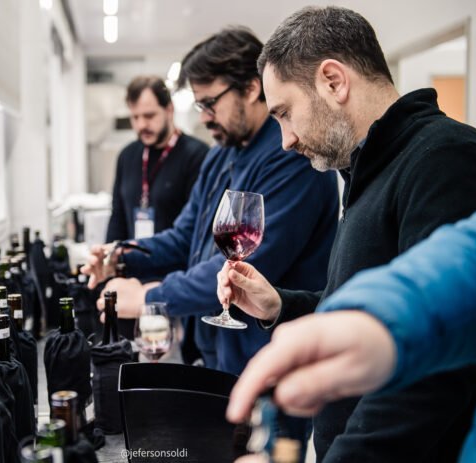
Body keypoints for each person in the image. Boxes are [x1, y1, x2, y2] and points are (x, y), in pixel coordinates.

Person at [216, 6, 476, 462]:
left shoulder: (446, 159)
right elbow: (353, 306)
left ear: (334, 81)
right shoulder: (366, 169)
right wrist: (280, 306)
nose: (286, 140)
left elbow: (432, 372)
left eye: (285, 113)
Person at [82, 27, 338, 375]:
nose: (203, 117)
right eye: (199, 105)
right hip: (217, 354)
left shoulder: (290, 158)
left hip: (272, 362)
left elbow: (239, 268)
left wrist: (148, 298)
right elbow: (184, 236)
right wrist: (121, 257)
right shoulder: (221, 154)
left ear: (251, 88)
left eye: (210, 103)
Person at [227, 200, 476, 463]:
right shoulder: (362, 182)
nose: (287, 148)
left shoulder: (441, 172)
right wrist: (282, 306)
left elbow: (432, 388)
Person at [106, 76, 208, 242]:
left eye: (149, 116)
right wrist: (110, 253)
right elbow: (118, 218)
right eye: (135, 117)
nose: (141, 125)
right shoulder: (126, 156)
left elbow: (197, 228)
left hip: (177, 257)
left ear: (169, 110)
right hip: (133, 257)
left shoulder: (197, 156)